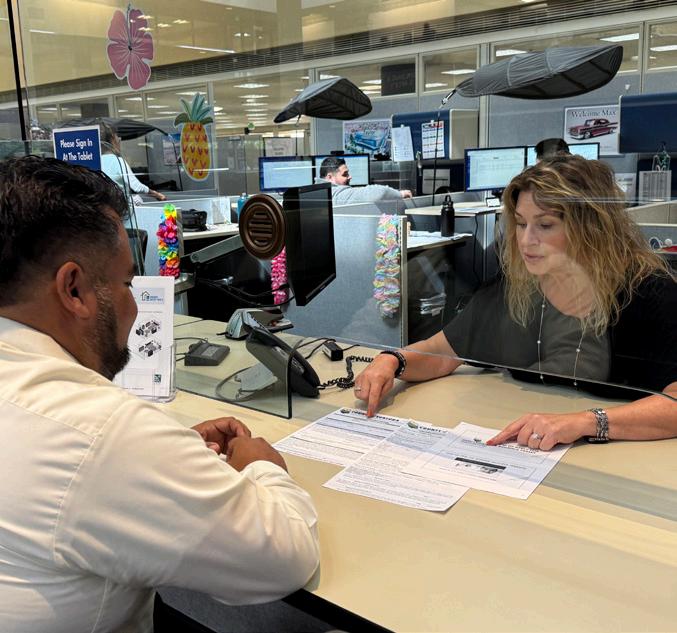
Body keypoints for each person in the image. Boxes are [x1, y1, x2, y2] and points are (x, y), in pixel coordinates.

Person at [0, 156, 319, 632]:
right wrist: (261, 465)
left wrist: (167, 453)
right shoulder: (98, 433)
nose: (134, 305)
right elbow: (285, 557)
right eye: (126, 283)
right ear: (74, 290)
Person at [354, 154, 677, 451]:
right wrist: (392, 360)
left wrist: (587, 422)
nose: (526, 240)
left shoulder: (648, 292)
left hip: (619, 454)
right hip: (529, 443)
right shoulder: (518, 287)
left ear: (591, 227)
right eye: (521, 223)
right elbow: (442, 352)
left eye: (545, 225)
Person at [100, 122, 166, 205]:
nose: (119, 141)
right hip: (120, 207)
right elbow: (136, 186)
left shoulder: (97, 161)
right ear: (113, 139)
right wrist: (157, 194)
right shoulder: (118, 161)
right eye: (118, 138)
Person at [318, 156, 413, 204]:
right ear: (329, 177)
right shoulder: (335, 194)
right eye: (345, 174)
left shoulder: (318, 191)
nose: (350, 177)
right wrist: (401, 194)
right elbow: (379, 193)